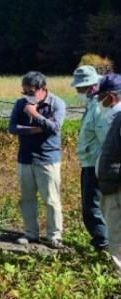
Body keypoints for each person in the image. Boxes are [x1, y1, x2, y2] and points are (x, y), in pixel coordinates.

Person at [8, 71, 66, 249]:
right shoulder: (20, 104)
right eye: (25, 92)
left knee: (51, 200)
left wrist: (35, 115)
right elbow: (12, 127)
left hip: (48, 158)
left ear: (43, 89)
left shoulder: (57, 103)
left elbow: (55, 128)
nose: (28, 96)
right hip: (25, 157)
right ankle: (31, 233)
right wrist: (35, 129)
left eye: (31, 92)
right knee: (27, 198)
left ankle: (54, 236)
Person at [71, 65, 108, 252]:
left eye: (80, 88)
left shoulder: (99, 108)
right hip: (90, 163)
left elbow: (105, 141)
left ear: (91, 86)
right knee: (95, 207)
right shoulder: (93, 104)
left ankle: (103, 246)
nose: (78, 92)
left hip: (96, 164)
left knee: (92, 208)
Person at [94, 74, 121, 271]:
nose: (98, 102)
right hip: (112, 188)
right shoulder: (116, 118)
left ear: (110, 98)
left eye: (99, 98)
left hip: (118, 191)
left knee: (118, 240)